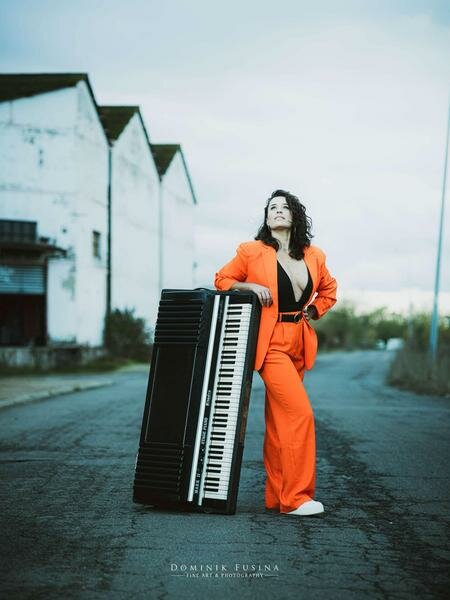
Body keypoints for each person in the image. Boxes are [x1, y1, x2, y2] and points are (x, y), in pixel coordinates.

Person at [214, 189, 337, 516]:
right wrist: (250, 286)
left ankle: (277, 496)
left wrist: (315, 310)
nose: (278, 211)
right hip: (270, 343)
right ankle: (297, 498)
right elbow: (222, 279)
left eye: (285, 207)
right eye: (272, 207)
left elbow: (329, 290)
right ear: (267, 217)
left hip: (299, 339)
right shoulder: (251, 251)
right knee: (300, 414)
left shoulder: (314, 255)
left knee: (280, 420)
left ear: (295, 215)